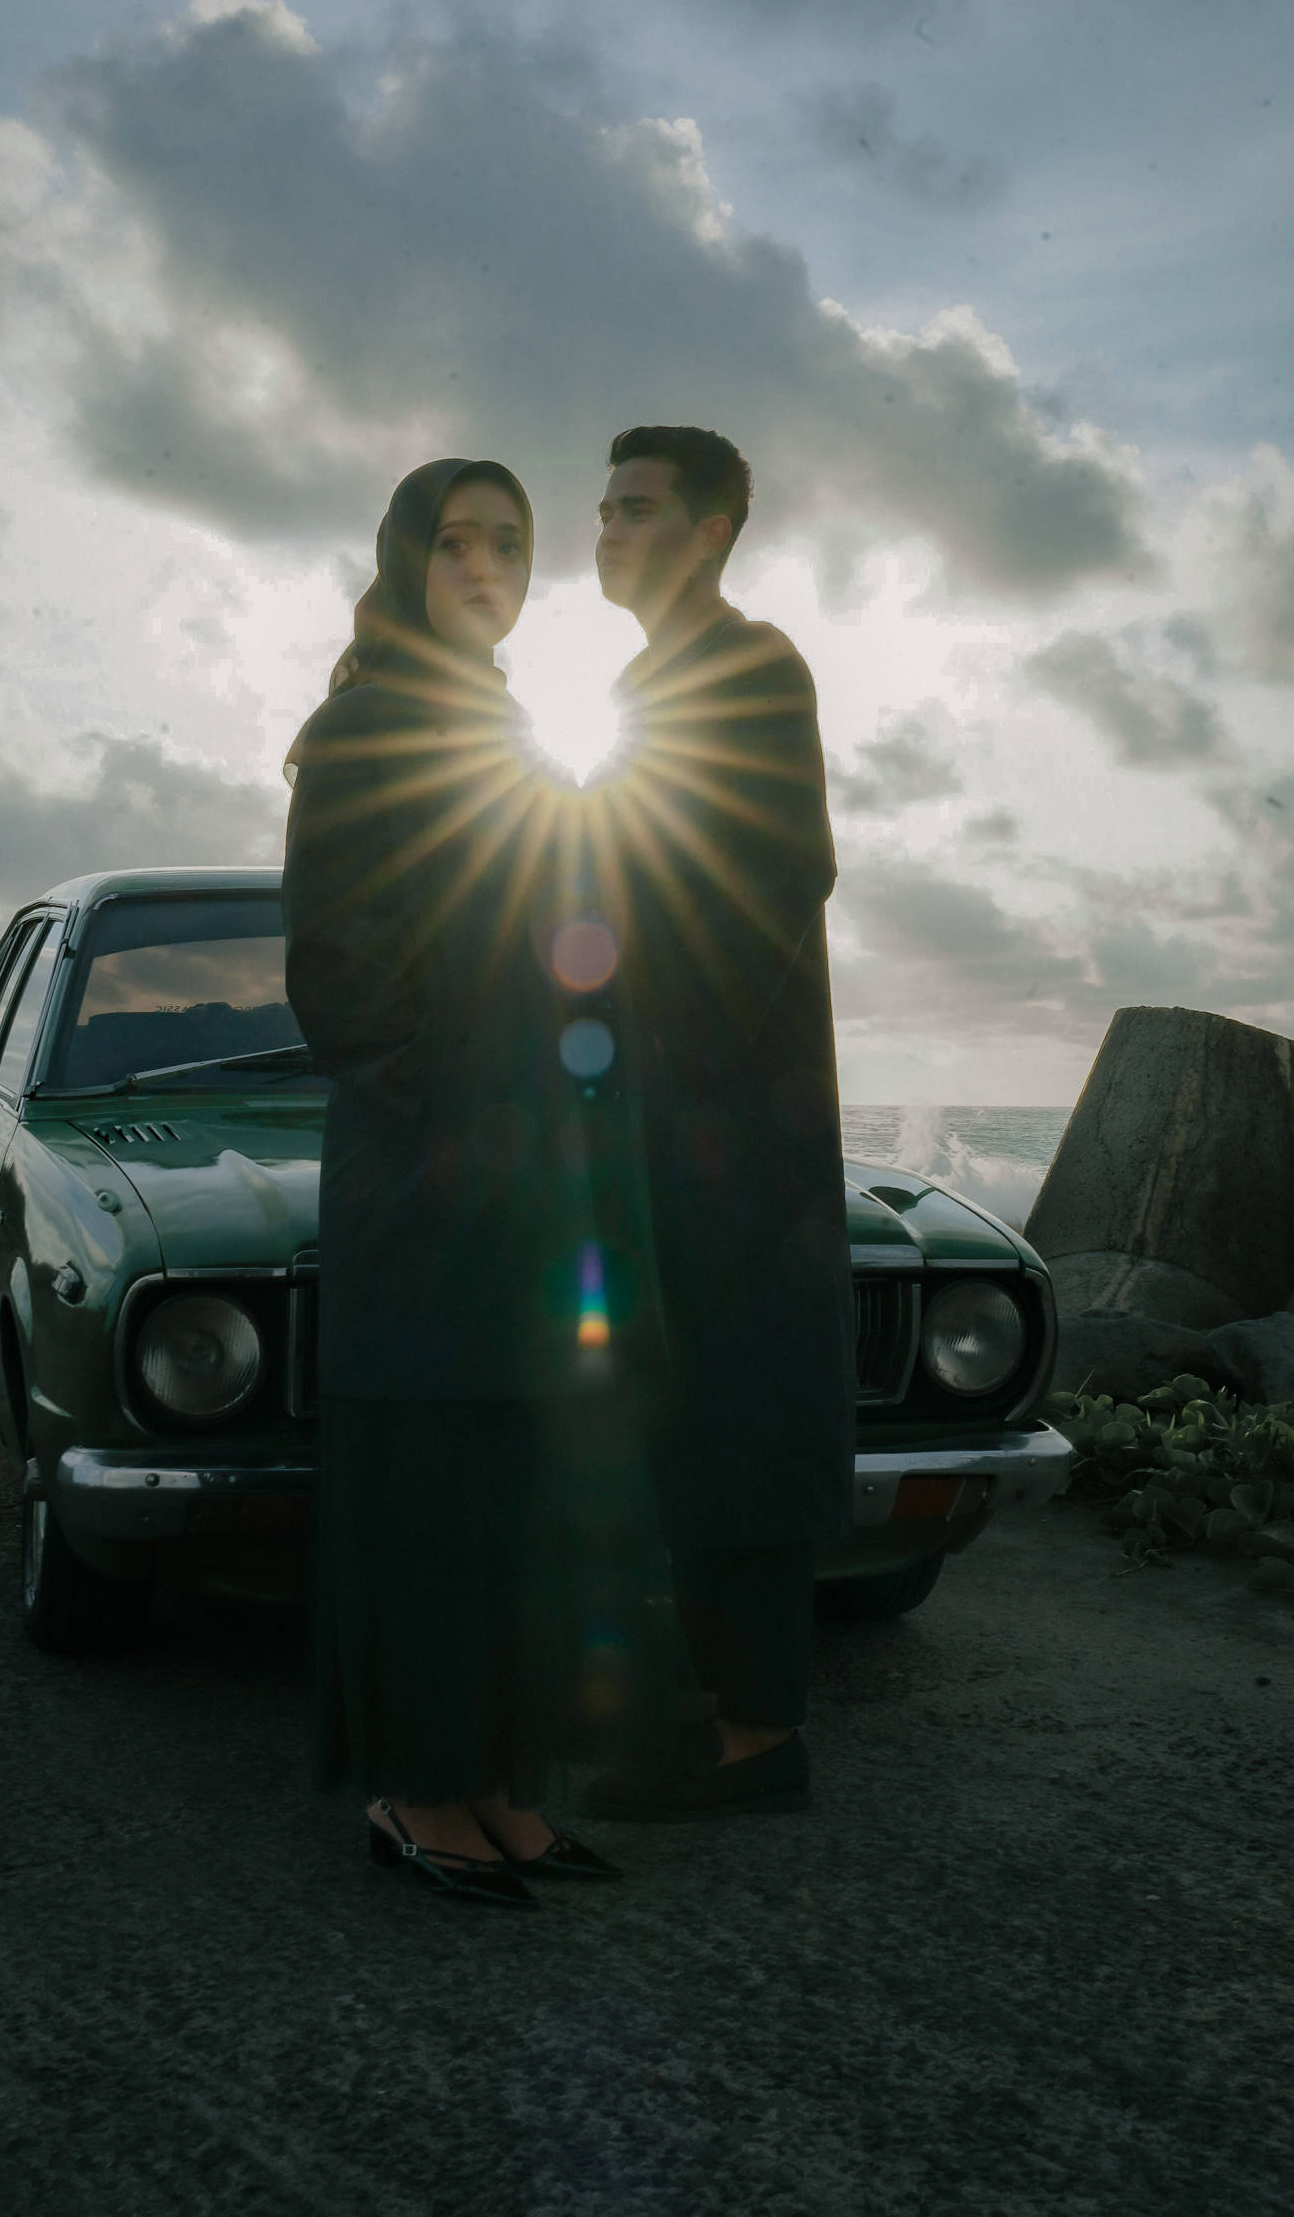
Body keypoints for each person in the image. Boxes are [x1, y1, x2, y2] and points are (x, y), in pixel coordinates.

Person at [282, 457, 669, 1906]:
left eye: (509, 542)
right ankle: (417, 1790)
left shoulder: (515, 729)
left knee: (520, 1488)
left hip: (533, 1182)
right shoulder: (360, 727)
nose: (487, 566)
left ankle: (503, 1783)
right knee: (428, 1494)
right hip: (424, 1179)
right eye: (457, 543)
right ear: (408, 561)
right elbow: (338, 976)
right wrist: (452, 1125)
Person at [581, 424, 855, 1822]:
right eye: (605, 509)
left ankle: (756, 1737)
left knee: (740, 1400)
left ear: (710, 533)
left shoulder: (752, 667)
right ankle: (710, 1704)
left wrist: (660, 1068)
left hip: (731, 1124)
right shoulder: (645, 683)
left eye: (638, 509)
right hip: (666, 1117)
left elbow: (775, 879)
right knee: (682, 1410)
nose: (609, 531)